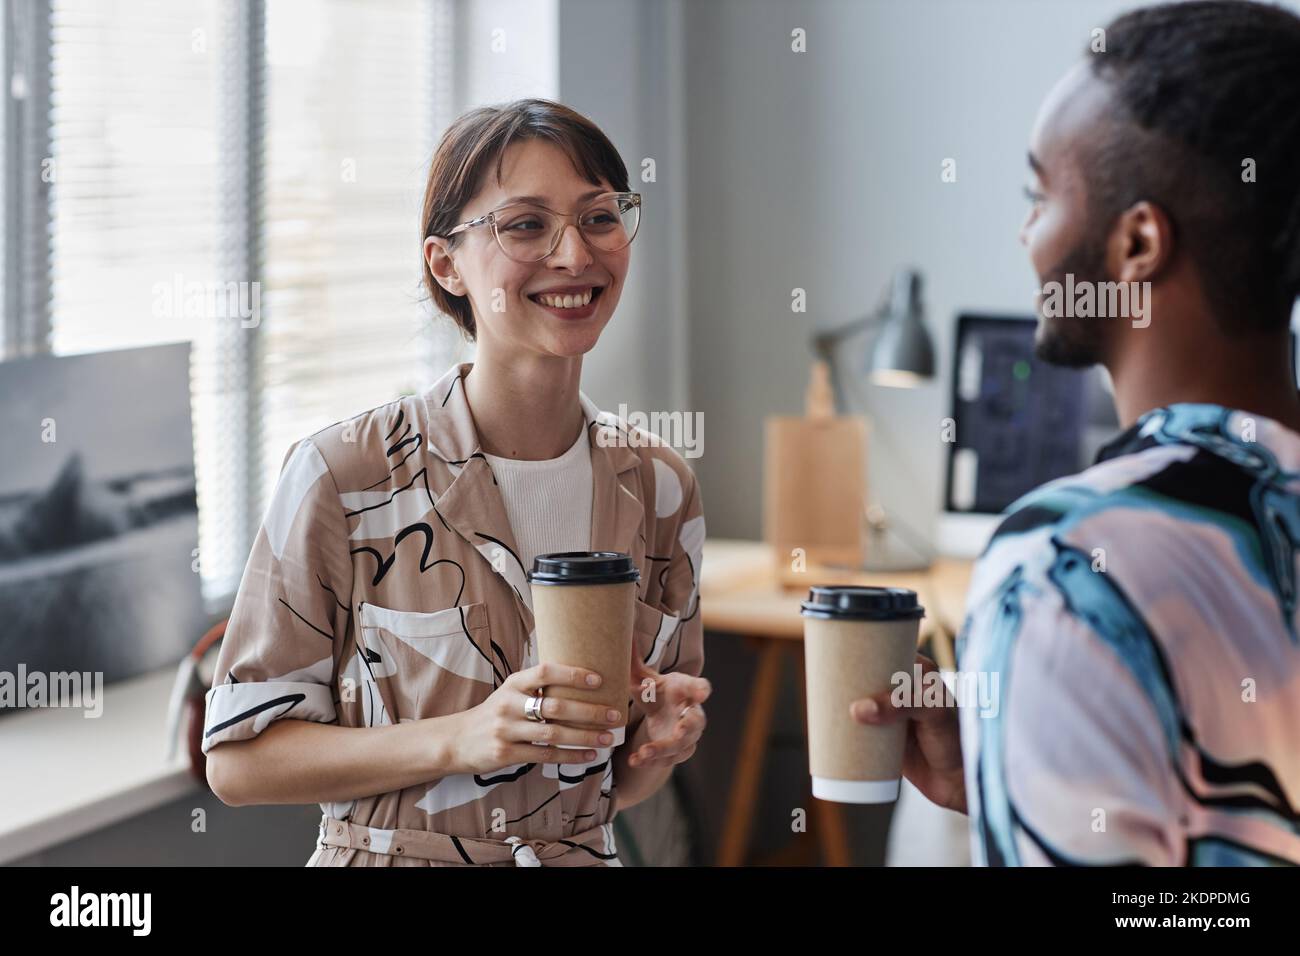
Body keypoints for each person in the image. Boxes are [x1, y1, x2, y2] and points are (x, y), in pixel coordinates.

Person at [202, 98, 710, 867]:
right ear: (446, 263)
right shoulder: (342, 475)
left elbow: (602, 788)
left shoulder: (661, 487)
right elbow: (238, 763)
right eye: (527, 224)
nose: (575, 254)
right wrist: (460, 737)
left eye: (599, 216)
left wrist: (654, 747)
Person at [854, 0, 1300, 866]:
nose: (1026, 231)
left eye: (1039, 193)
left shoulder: (1061, 564)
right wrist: (1007, 790)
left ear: (1137, 242)